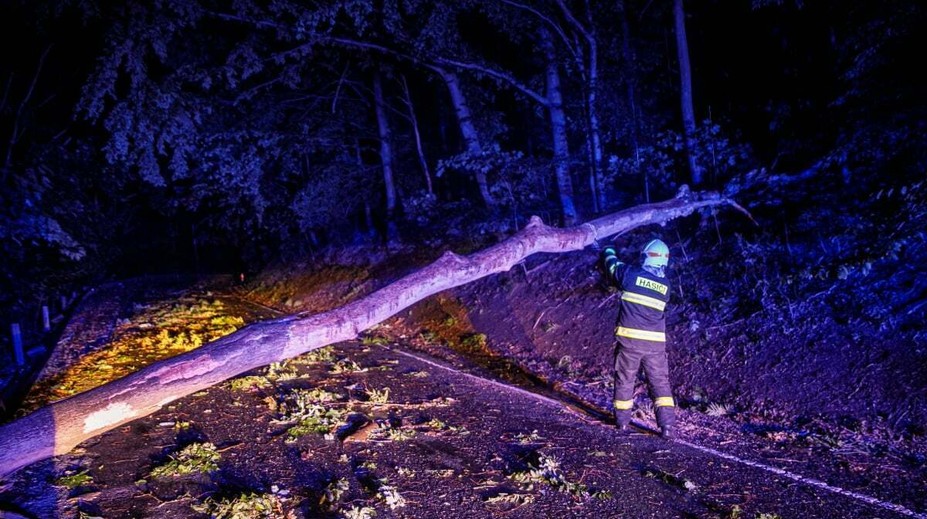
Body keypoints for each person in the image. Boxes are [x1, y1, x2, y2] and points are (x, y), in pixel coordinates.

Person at [601, 239, 676, 439]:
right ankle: (668, 427)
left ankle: (623, 422)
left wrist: (607, 249)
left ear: (646, 257)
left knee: (625, 380)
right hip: (656, 346)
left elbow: (612, 266)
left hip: (630, 343)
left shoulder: (630, 275)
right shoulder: (665, 286)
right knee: (660, 384)